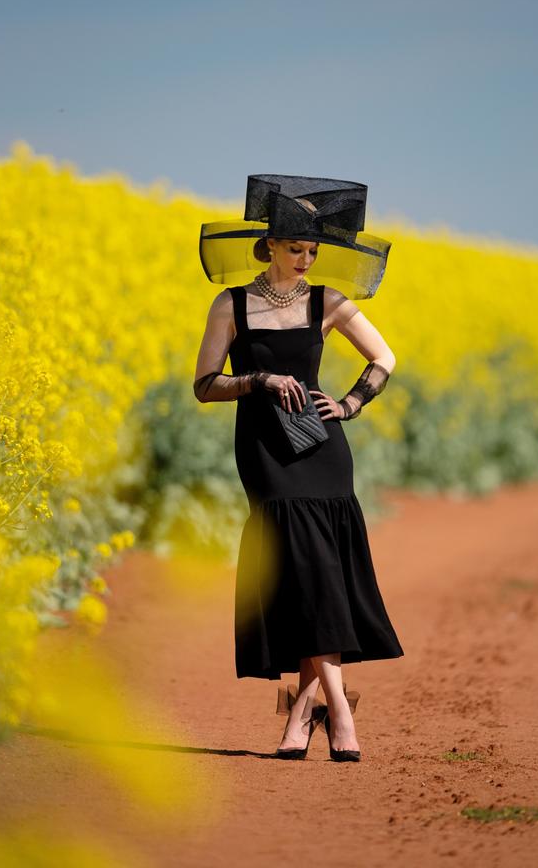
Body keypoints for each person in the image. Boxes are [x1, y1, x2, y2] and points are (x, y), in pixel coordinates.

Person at [193, 176, 404, 762]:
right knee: (298, 573)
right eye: (295, 249)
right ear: (270, 246)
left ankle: (313, 714)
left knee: (315, 575)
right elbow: (205, 385)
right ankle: (334, 710)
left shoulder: (327, 302)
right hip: (264, 453)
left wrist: (351, 403)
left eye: (312, 251)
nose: (306, 261)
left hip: (322, 449)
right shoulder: (230, 304)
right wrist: (258, 380)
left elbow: (384, 357)